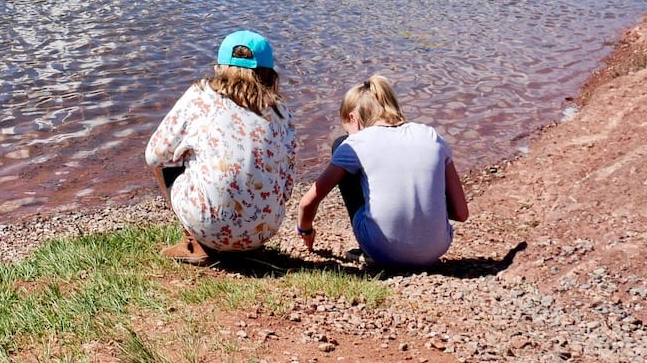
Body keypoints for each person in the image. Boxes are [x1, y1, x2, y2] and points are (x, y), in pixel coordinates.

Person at [144, 29, 296, 262]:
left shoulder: (201, 94)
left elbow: (154, 156)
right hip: (265, 229)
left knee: (171, 158)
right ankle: (250, 247)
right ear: (270, 74)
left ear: (220, 67)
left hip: (209, 225)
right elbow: (286, 185)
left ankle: (194, 243)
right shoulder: (281, 111)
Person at [296, 74, 468, 268]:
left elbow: (307, 202)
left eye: (348, 129)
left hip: (383, 249)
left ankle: (369, 249)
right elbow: (461, 213)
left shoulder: (356, 142)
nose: (348, 136)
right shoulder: (431, 135)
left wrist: (305, 230)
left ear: (354, 118)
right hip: (436, 248)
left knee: (340, 146)